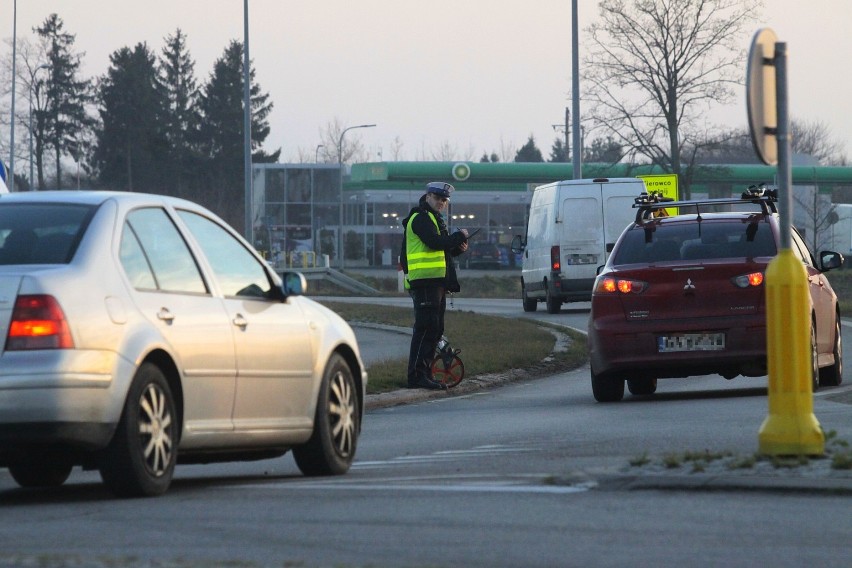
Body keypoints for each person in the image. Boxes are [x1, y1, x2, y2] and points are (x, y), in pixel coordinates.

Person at [400, 181, 469, 389]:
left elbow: (441, 250)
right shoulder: (420, 217)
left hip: (435, 283)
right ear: (427, 196)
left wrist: (458, 248)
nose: (441, 203)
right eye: (437, 198)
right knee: (425, 329)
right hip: (424, 282)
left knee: (435, 329)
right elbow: (434, 242)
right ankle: (417, 376)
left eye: (444, 200)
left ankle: (425, 373)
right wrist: (459, 236)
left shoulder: (434, 218)